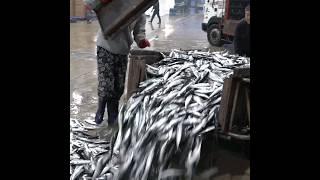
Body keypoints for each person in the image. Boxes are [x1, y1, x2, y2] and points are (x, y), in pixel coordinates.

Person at [95, 14, 150, 125]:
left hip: (122, 51)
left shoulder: (140, 12)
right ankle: (101, 107)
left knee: (118, 86)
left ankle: (113, 113)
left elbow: (139, 31)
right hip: (105, 46)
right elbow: (93, 4)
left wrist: (141, 40)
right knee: (106, 84)